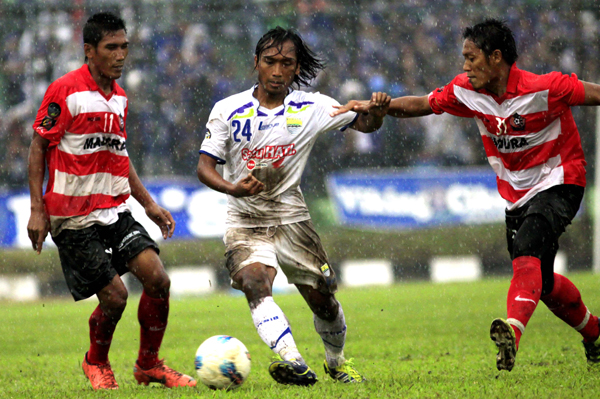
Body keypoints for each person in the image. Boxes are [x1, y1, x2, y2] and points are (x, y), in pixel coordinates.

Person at [332, 18, 600, 372]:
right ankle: (595, 334)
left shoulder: (547, 87)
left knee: (528, 246)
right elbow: (423, 104)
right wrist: (379, 106)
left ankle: (512, 333)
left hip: (561, 179)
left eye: (471, 58)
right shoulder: (466, 91)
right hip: (515, 192)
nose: (465, 66)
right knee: (543, 283)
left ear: (496, 58)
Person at [196, 26, 390, 385]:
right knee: (255, 281)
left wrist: (376, 112)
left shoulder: (312, 106)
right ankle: (295, 362)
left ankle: (336, 362)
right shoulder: (227, 110)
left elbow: (364, 123)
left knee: (324, 301)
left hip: (292, 218)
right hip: (245, 219)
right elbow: (205, 166)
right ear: (256, 63)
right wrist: (232, 188)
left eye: (286, 63)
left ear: (296, 68)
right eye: (270, 61)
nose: (277, 71)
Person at [27, 12, 196, 390]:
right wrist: (38, 209)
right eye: (111, 48)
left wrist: (149, 204)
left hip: (113, 209)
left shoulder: (119, 97)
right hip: (71, 217)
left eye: (124, 47)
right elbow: (38, 145)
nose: (120, 55)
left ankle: (148, 366)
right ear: (89, 51)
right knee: (116, 297)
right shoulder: (65, 91)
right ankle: (96, 362)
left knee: (157, 279)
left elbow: (118, 155)